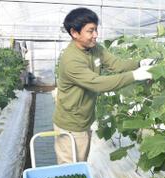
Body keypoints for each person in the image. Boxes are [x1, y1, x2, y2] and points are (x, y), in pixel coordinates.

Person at [53, 7, 154, 164]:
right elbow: (97, 83)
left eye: (96, 30)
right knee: (68, 169)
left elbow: (116, 64)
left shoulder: (95, 49)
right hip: (71, 124)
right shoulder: (71, 59)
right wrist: (135, 75)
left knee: (80, 163)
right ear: (74, 33)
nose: (96, 35)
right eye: (90, 31)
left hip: (84, 119)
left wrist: (138, 63)